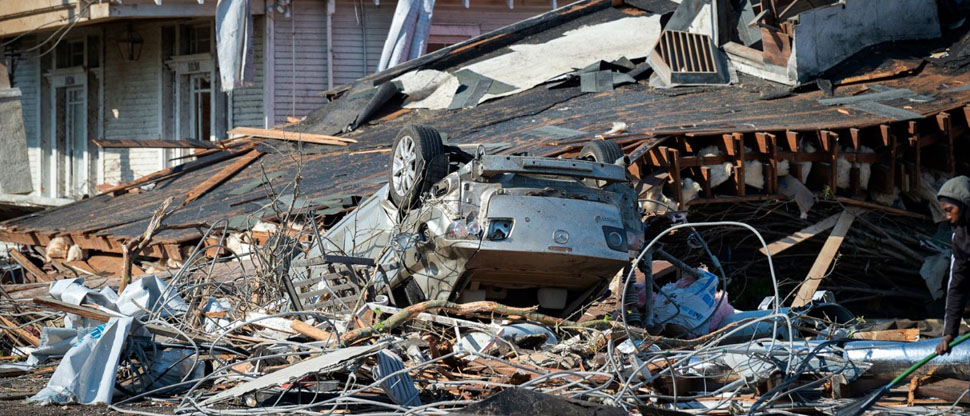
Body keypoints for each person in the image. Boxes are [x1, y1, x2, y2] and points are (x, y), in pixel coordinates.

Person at [936, 175, 970, 355]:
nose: (948, 216)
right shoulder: (960, 238)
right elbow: (957, 284)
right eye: (945, 211)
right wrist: (949, 334)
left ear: (964, 204)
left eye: (950, 210)